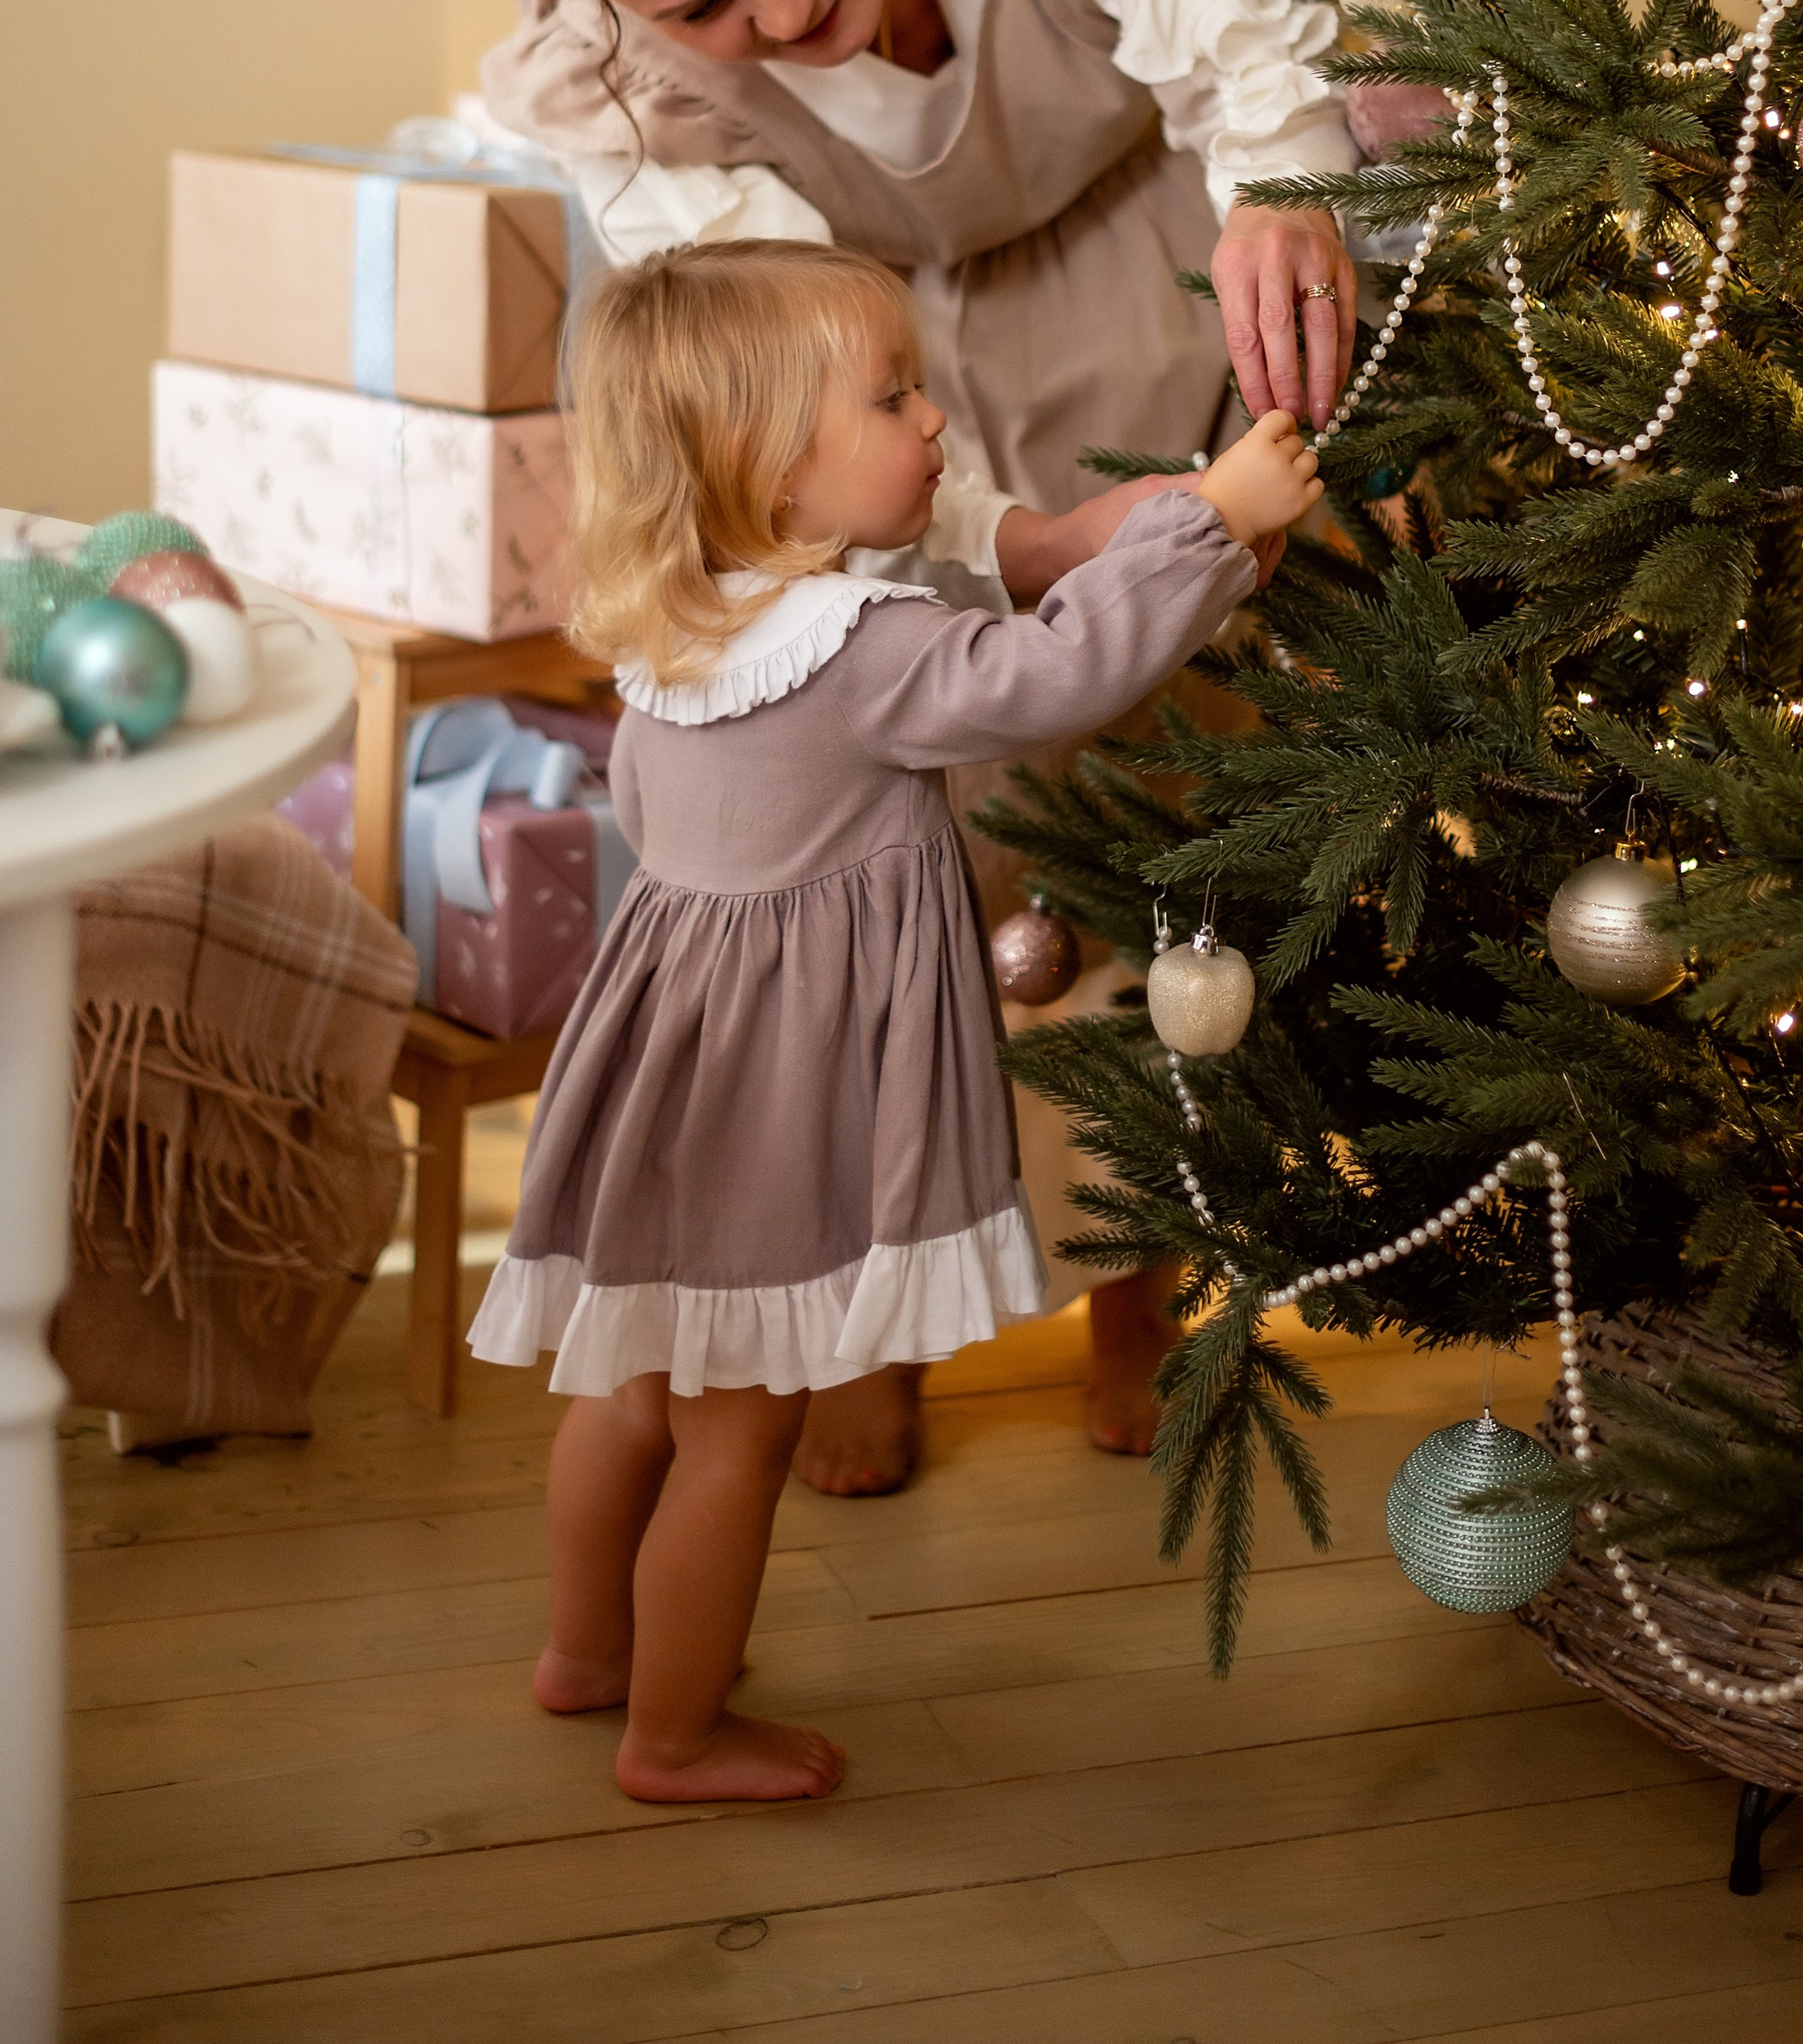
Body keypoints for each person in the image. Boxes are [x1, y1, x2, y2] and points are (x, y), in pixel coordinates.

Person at [472, 0, 1358, 1488]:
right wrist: (999, 536)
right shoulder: (624, 77)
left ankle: (1138, 1269)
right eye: (703, 5)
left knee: (1165, 773)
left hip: (1157, 238)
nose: (778, 11)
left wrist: (1286, 182)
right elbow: (756, 370)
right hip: (862, 352)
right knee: (889, 808)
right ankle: (868, 1296)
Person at [467, 237, 1323, 1803]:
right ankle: (672, 1734)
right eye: (894, 397)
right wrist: (1209, 521)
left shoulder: (675, 635)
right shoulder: (862, 650)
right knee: (742, 1430)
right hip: (770, 1100)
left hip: (658, 1069)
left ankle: (588, 1653)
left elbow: (654, 822)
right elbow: (1055, 676)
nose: (936, 425)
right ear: (766, 463)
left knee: (630, 1391)